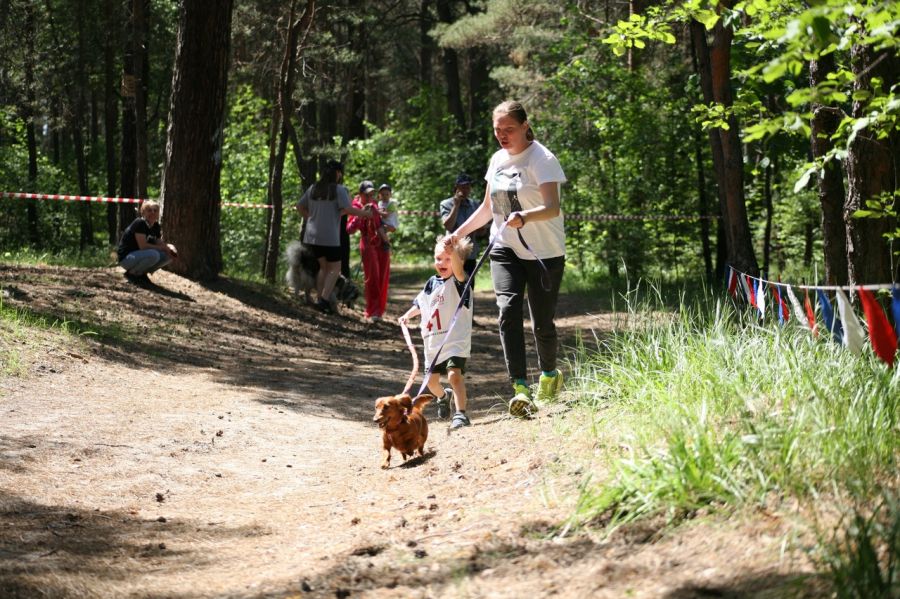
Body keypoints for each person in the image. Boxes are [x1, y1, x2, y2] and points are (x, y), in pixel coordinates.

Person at [450, 100, 566, 418]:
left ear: (525, 126)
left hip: (545, 253)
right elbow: (488, 209)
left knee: (542, 324)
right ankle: (520, 387)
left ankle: (549, 375)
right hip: (505, 248)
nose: (502, 135)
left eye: (508, 129)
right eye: (497, 130)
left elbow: (553, 207)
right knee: (507, 311)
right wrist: (457, 234)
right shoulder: (498, 159)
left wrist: (524, 216)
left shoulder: (542, 159)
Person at [399, 235, 474, 429]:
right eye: (438, 258)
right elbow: (420, 303)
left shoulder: (460, 282)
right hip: (433, 343)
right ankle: (443, 396)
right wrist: (408, 315)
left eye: (448, 259)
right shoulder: (431, 283)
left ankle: (461, 414)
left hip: (455, 341)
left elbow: (457, 269)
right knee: (432, 383)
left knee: (453, 375)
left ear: (458, 261)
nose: (442, 263)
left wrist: (453, 250)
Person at [295, 160, 372, 314]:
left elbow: (299, 206)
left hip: (312, 236)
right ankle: (324, 300)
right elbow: (349, 209)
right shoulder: (339, 189)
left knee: (323, 268)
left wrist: (310, 217)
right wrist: (365, 214)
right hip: (329, 237)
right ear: (337, 173)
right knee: (335, 269)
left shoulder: (313, 188)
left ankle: (320, 299)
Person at [347, 180, 389, 323]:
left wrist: (385, 240)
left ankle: (379, 310)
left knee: (382, 276)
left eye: (372, 195)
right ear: (360, 194)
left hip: (380, 243)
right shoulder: (355, 206)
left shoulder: (374, 205)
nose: (370, 198)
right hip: (367, 243)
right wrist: (361, 214)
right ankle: (372, 311)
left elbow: (379, 225)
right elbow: (350, 229)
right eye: (367, 195)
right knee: (372, 278)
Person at [440, 173, 489, 283]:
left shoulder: (475, 205)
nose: (465, 190)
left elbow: (482, 232)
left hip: (470, 253)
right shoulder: (446, 204)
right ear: (456, 188)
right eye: (462, 187)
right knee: (451, 285)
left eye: (467, 187)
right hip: (452, 252)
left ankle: (468, 301)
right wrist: (456, 205)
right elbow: (448, 225)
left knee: (468, 285)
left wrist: (480, 228)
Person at [117, 200, 177, 284]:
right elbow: (143, 246)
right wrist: (161, 247)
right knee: (154, 254)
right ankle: (131, 274)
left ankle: (141, 273)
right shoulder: (140, 223)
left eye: (155, 210)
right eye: (149, 210)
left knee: (168, 255)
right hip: (126, 258)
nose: (152, 212)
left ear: (158, 213)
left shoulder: (156, 226)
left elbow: (159, 243)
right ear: (143, 212)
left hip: (139, 256)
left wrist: (170, 247)